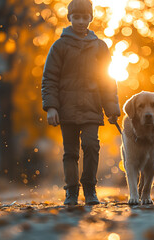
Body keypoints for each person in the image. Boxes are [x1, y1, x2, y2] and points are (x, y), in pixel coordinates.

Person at [41, 0, 120, 205]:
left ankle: (90, 188)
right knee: (70, 152)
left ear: (90, 18)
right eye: (76, 17)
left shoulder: (100, 47)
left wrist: (111, 109)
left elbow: (107, 80)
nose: (81, 21)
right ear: (69, 18)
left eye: (85, 17)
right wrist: (51, 107)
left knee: (91, 146)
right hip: (66, 110)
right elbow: (50, 78)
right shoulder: (59, 46)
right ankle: (71, 191)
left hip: (92, 108)